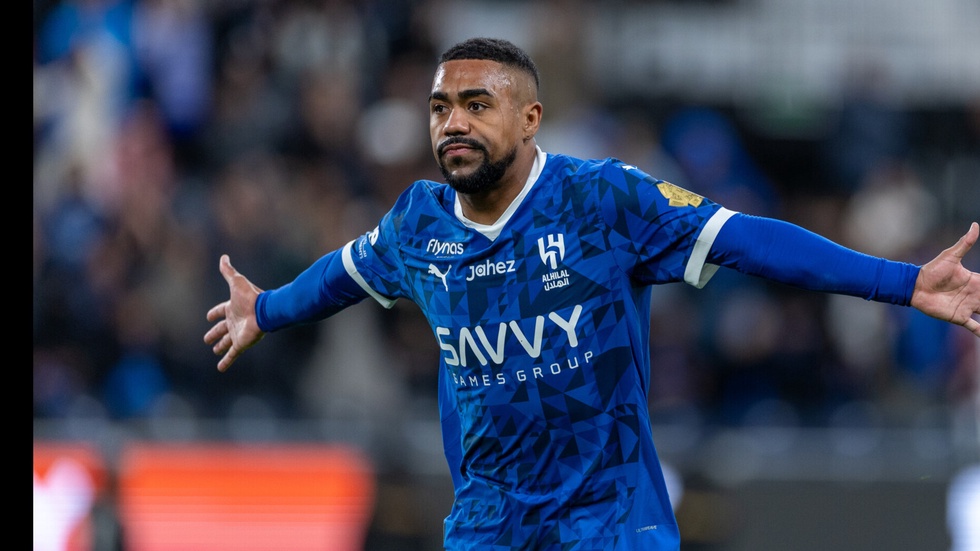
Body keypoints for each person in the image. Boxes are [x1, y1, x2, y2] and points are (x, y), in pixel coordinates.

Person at [205, 37, 980, 550]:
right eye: (440, 107)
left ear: (530, 118)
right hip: (488, 529)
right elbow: (341, 275)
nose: (452, 124)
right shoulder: (418, 224)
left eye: (477, 105)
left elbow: (746, 239)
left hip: (608, 525)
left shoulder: (603, 201)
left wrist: (905, 281)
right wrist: (264, 310)